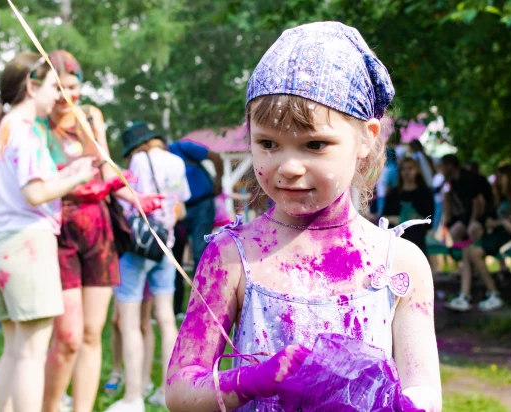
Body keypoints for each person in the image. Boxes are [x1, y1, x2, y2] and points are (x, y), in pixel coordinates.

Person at [166, 22, 441, 411]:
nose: (289, 166)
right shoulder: (231, 257)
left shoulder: (401, 263)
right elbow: (179, 392)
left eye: (314, 144)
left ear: (366, 137)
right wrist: (250, 381)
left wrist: (404, 406)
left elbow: (425, 389)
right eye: (268, 144)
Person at [0, 52, 98, 412]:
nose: (58, 97)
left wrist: (66, 174)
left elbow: (28, 187)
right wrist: (75, 177)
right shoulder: (26, 131)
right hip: (26, 246)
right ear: (31, 86)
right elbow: (34, 194)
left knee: (14, 351)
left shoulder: (4, 127)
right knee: (31, 354)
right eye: (52, 88)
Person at [40, 51, 162, 412]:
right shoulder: (40, 120)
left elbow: (108, 171)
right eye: (59, 87)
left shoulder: (91, 115)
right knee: (67, 337)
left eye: (73, 87)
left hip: (98, 230)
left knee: (92, 333)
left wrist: (135, 197)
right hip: (58, 228)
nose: (66, 96)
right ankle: (48, 405)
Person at [107, 123, 190, 411]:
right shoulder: (178, 162)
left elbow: (131, 199)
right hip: (165, 244)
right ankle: (168, 391)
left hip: (138, 245)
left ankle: (133, 397)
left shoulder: (139, 161)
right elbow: (181, 206)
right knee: (166, 319)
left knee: (129, 322)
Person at [445, 165, 511, 312]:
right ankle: (464, 296)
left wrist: (507, 224)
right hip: (496, 233)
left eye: (501, 177)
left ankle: (494, 293)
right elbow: (488, 220)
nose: (497, 181)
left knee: (473, 252)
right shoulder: (496, 199)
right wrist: (502, 222)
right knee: (467, 250)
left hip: (509, 237)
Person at [168, 140, 224, 315]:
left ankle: (202, 306)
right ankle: (175, 309)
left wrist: (218, 181)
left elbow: (216, 157)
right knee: (175, 258)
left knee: (200, 254)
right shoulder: (153, 161)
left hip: (202, 205)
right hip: (179, 209)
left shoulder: (182, 147)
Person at [384, 158, 435, 256]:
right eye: (403, 169)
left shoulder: (425, 193)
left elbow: (428, 219)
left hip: (416, 238)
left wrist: (414, 218)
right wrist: (399, 220)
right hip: (396, 237)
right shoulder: (393, 193)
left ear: (416, 170)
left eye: (410, 168)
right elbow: (384, 217)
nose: (406, 172)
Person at [441, 154, 494, 243]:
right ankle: (464, 254)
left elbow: (477, 202)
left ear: (450, 165)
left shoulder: (468, 178)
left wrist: (473, 220)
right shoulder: (454, 181)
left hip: (482, 214)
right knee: (455, 232)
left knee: (472, 230)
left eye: (443, 165)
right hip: (468, 214)